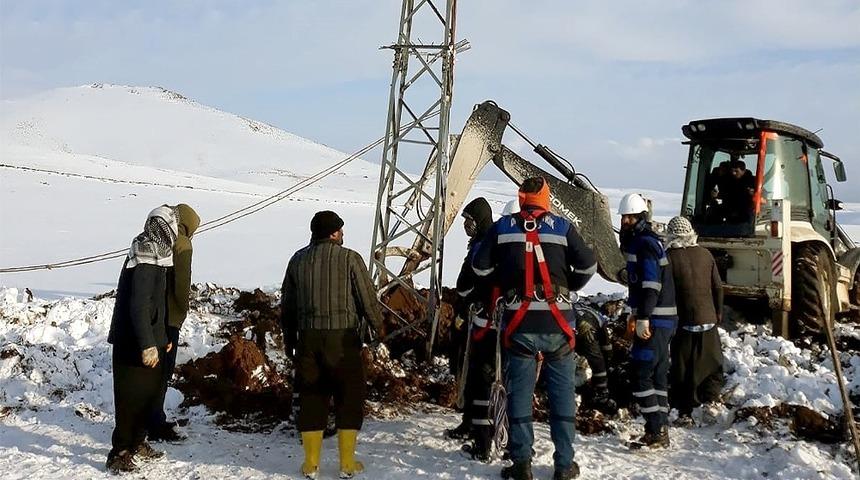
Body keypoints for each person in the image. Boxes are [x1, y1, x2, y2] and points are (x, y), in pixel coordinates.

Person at [474, 178, 597, 480]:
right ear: (546, 199)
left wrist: (503, 284)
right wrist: (564, 287)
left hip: (520, 325)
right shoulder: (564, 227)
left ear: (521, 198)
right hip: (559, 325)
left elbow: (480, 267)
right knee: (562, 396)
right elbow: (588, 266)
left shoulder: (503, 227)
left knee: (519, 395)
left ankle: (521, 464)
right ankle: (564, 465)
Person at [280, 210, 384, 479]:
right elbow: (367, 298)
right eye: (341, 230)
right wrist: (377, 326)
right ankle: (347, 464)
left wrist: (289, 338)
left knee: (312, 397)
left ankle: (311, 465)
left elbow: (288, 305)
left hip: (308, 340)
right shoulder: (350, 258)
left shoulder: (297, 260)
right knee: (349, 397)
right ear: (335, 233)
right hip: (344, 341)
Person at [106, 206, 179, 473]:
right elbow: (138, 305)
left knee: (148, 396)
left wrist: (162, 337)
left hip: (149, 338)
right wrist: (149, 344)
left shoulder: (159, 254)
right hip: (132, 341)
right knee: (130, 399)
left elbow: (156, 301)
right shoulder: (146, 254)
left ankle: (137, 443)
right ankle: (120, 451)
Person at [617, 193, 677, 449]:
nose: (625, 221)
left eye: (629, 217)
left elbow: (651, 286)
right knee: (658, 376)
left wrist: (643, 317)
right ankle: (660, 427)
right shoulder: (647, 242)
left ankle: (656, 428)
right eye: (623, 217)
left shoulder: (645, 245)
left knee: (642, 374)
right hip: (662, 320)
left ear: (640, 217)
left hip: (654, 321)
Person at [448, 197, 497, 462]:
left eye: (468, 221)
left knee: (478, 374)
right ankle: (469, 421)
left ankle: (479, 432)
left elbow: (472, 282)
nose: (466, 226)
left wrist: (467, 300)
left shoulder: (485, 245)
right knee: (469, 370)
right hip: (475, 316)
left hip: (481, 320)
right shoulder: (481, 242)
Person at [664, 216, 724, 424]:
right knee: (711, 363)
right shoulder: (706, 254)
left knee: (683, 368)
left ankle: (685, 410)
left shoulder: (668, 258)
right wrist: (718, 313)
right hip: (708, 320)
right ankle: (710, 401)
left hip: (684, 322)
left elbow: (666, 292)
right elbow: (717, 287)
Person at [147, 203, 199, 442]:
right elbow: (182, 283)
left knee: (151, 370)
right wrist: (181, 311)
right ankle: (155, 421)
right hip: (169, 316)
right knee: (163, 370)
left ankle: (148, 417)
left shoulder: (157, 235)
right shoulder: (182, 243)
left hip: (151, 313)